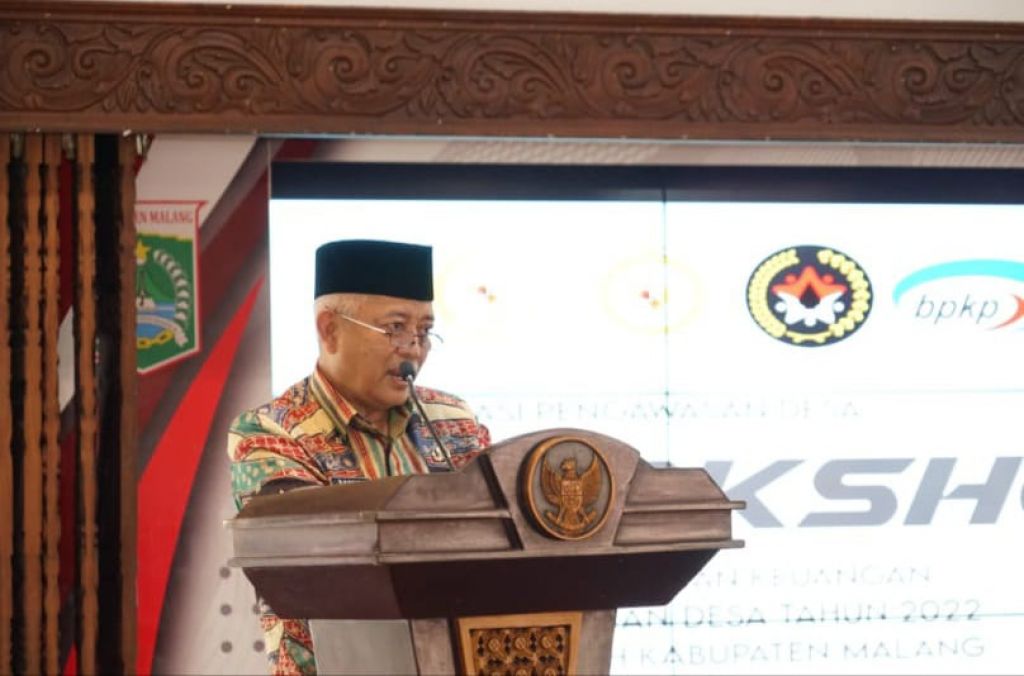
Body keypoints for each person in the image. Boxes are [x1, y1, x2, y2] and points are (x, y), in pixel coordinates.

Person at [227, 239, 491, 675]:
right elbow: (316, 569)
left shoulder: (453, 421)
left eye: (424, 331)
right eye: (395, 329)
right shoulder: (271, 432)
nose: (413, 349)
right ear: (330, 329)